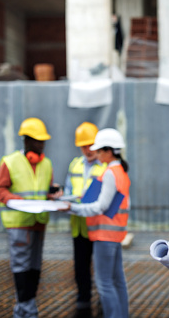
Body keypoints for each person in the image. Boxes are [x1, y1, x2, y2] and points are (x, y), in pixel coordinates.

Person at [0, 117, 63, 318]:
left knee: (34, 267)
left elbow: (42, 190)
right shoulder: (10, 162)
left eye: (43, 141)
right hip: (19, 224)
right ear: (26, 141)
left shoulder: (46, 164)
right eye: (37, 141)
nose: (41, 145)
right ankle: (26, 309)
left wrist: (53, 194)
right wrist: (16, 200)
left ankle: (26, 308)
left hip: (39, 223)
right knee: (21, 267)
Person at [62, 128, 131, 318]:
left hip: (104, 234)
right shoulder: (120, 171)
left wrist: (72, 208)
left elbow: (100, 207)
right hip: (115, 233)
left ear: (109, 151)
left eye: (100, 150)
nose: (97, 154)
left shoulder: (110, 172)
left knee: (105, 283)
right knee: (117, 281)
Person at [64, 122, 107, 318]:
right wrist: (63, 198)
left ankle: (103, 303)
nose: (88, 150)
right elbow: (68, 191)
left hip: (98, 227)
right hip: (79, 227)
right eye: (84, 146)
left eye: (91, 145)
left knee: (101, 268)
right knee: (81, 268)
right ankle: (83, 303)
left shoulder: (105, 166)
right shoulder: (75, 165)